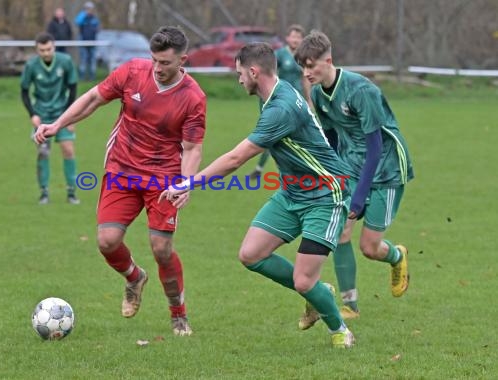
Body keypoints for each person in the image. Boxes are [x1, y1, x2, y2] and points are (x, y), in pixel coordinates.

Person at [160, 42, 355, 348]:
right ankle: (319, 293)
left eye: (240, 73)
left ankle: (340, 330)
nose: (238, 79)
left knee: (304, 281)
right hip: (293, 192)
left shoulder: (280, 108)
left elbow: (236, 159)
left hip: (325, 194)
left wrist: (188, 183)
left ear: (253, 71)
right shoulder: (276, 93)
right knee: (251, 254)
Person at [33, 26, 206, 336]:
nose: (158, 68)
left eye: (165, 63)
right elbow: (92, 99)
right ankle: (134, 278)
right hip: (122, 170)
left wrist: (186, 183)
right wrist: (58, 123)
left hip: (164, 179)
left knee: (162, 249)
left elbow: (193, 148)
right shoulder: (132, 72)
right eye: (154, 60)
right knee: (107, 241)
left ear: (183, 60)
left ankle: (178, 315)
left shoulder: (193, 98)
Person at [295, 30, 413, 327]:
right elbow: (331, 136)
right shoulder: (318, 94)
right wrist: (331, 175)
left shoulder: (361, 91)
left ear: (328, 60)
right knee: (342, 233)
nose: (307, 73)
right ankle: (350, 304)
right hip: (350, 166)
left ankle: (397, 256)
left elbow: (375, 148)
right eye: (303, 67)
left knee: (370, 247)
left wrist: (358, 199)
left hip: (385, 170)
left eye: (312, 66)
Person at [21, 32, 79, 205]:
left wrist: (71, 116)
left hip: (62, 115)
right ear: (37, 50)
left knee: (68, 150)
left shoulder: (65, 61)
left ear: (54, 47)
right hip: (42, 115)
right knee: (43, 153)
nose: (46, 53)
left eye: (48, 49)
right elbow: (24, 91)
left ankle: (71, 192)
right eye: (42, 50)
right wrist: (33, 114)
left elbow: (73, 87)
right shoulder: (31, 65)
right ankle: (44, 192)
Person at [249, 24, 309, 178]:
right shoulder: (280, 55)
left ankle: (296, 170)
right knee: (273, 134)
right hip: (279, 101)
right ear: (287, 38)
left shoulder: (303, 57)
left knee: (295, 135)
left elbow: (305, 78)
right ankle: (263, 169)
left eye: (298, 37)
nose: (295, 39)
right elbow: (269, 76)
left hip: (296, 101)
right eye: (293, 36)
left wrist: (308, 99)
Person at [74, 1, 100, 80]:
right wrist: (84, 14)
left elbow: (97, 28)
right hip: (83, 41)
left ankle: (92, 76)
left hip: (92, 42)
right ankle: (82, 76)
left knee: (92, 60)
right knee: (83, 59)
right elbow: (77, 22)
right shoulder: (82, 17)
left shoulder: (94, 18)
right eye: (87, 8)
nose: (89, 10)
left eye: (90, 8)